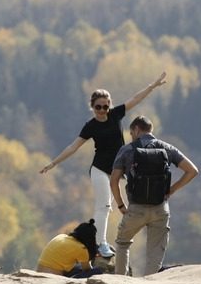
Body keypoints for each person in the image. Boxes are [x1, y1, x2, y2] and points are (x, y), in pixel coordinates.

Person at [40, 72, 167, 258]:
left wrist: (152, 86)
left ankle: (118, 241)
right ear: (92, 107)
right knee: (104, 206)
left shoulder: (115, 115)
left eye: (106, 106)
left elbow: (135, 99)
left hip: (117, 169)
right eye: (98, 107)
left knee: (127, 202)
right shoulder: (90, 126)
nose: (102, 110)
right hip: (99, 169)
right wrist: (53, 163)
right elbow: (73, 147)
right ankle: (101, 244)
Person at [109, 115, 198, 276]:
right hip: (160, 208)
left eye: (131, 133)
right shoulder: (166, 148)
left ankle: (120, 282)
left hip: (136, 208)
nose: (131, 136)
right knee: (155, 251)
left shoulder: (127, 150)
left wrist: (121, 205)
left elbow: (114, 180)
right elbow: (192, 171)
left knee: (123, 242)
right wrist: (171, 190)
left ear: (136, 129)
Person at [36, 219, 103, 278]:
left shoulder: (61, 236)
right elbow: (87, 269)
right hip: (53, 277)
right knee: (98, 271)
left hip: (40, 271)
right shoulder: (82, 248)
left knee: (78, 268)